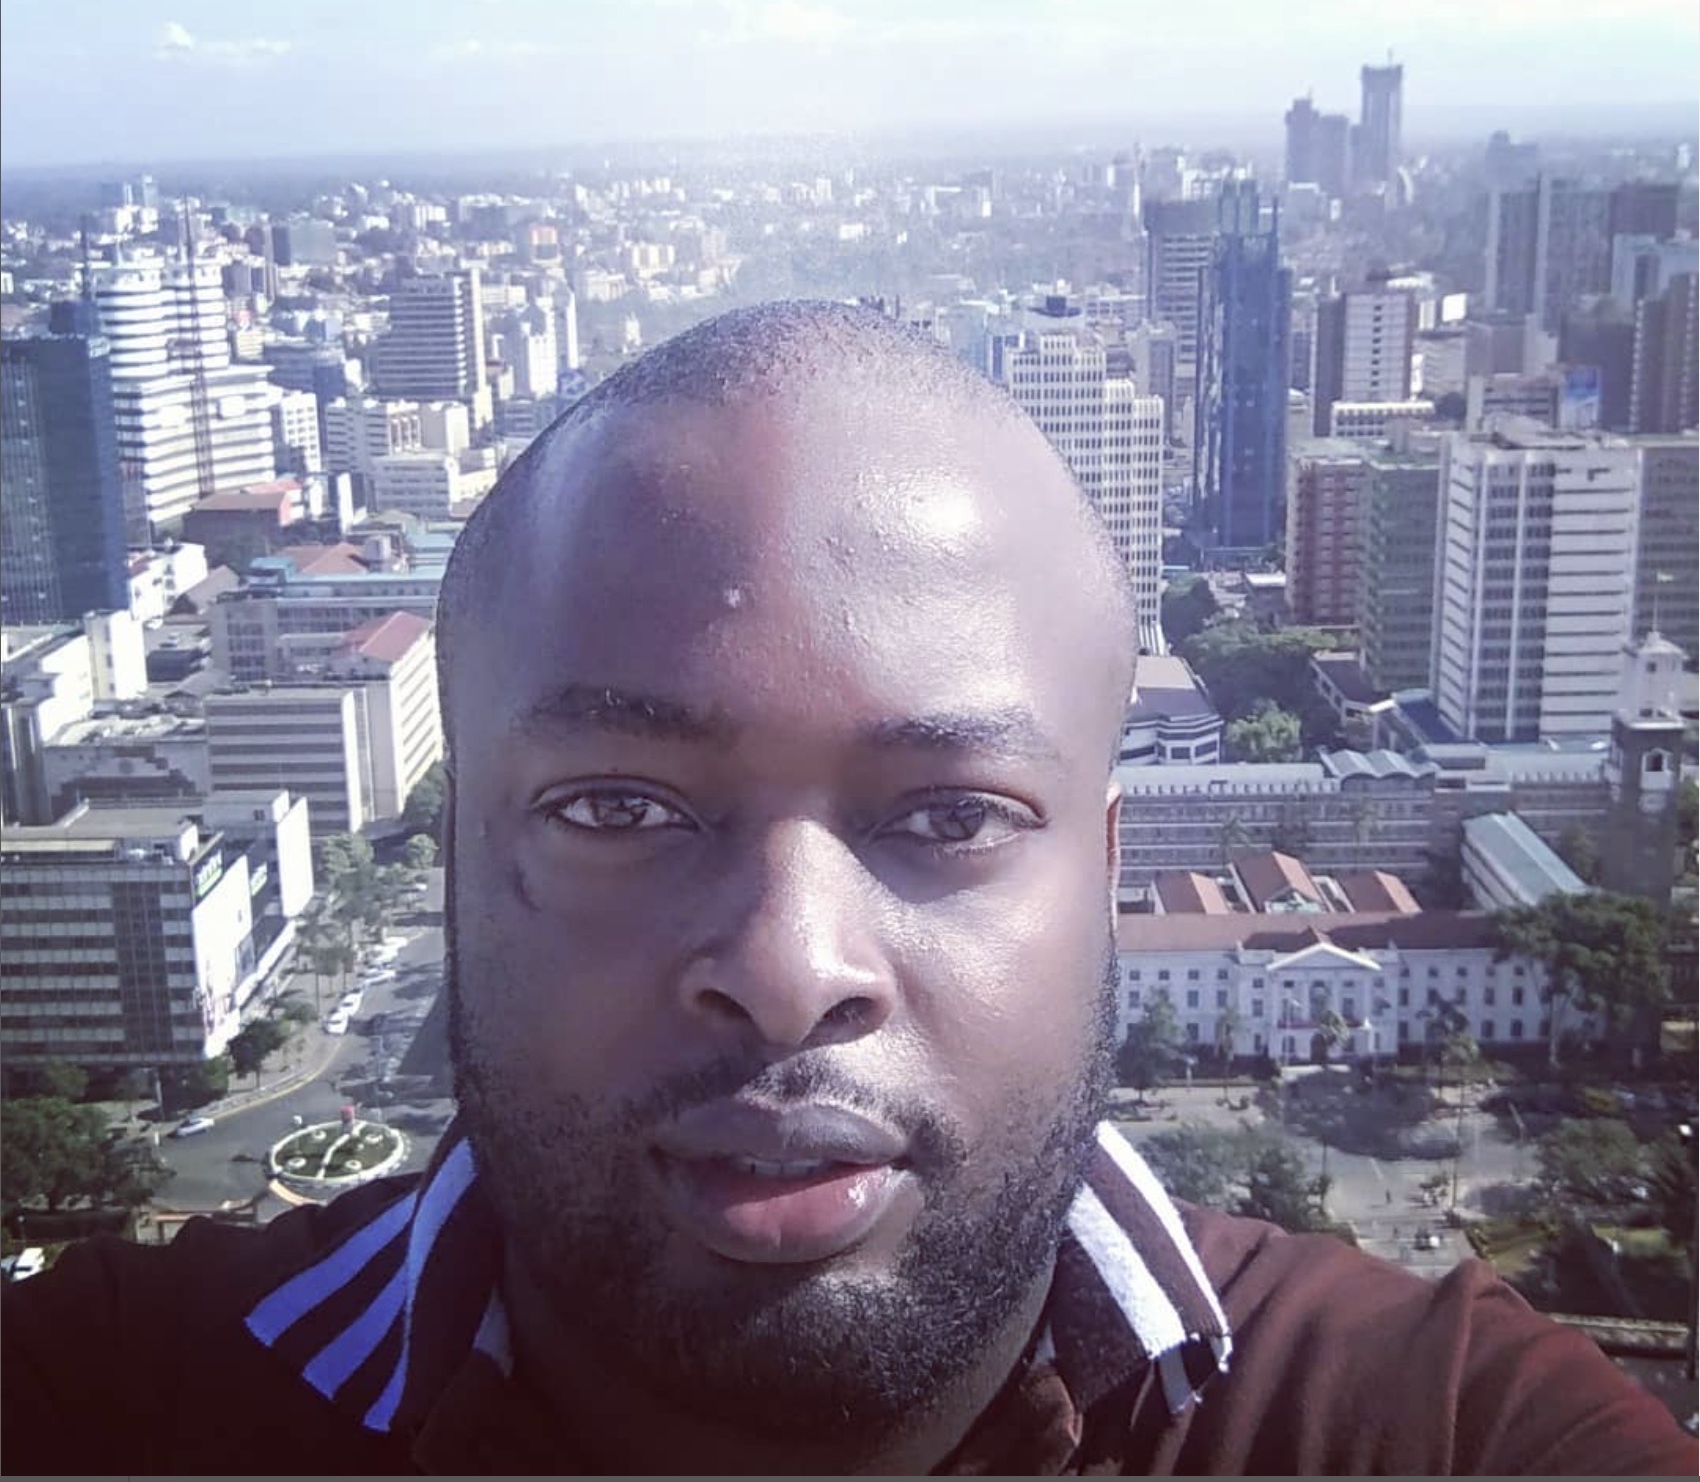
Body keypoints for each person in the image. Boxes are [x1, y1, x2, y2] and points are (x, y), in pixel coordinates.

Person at [3, 303, 1694, 1476]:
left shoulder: (1426, 1430)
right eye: (620, 803)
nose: (790, 965)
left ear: (1103, 886)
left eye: (949, 815)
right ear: (454, 858)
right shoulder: (113, 1411)